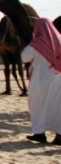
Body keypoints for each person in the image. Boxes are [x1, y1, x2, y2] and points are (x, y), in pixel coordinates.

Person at [20, 17, 61, 145]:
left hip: (40, 79)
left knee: (37, 105)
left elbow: (24, 57)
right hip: (57, 78)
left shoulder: (36, 44)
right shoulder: (59, 40)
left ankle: (39, 133)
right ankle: (59, 135)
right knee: (57, 106)